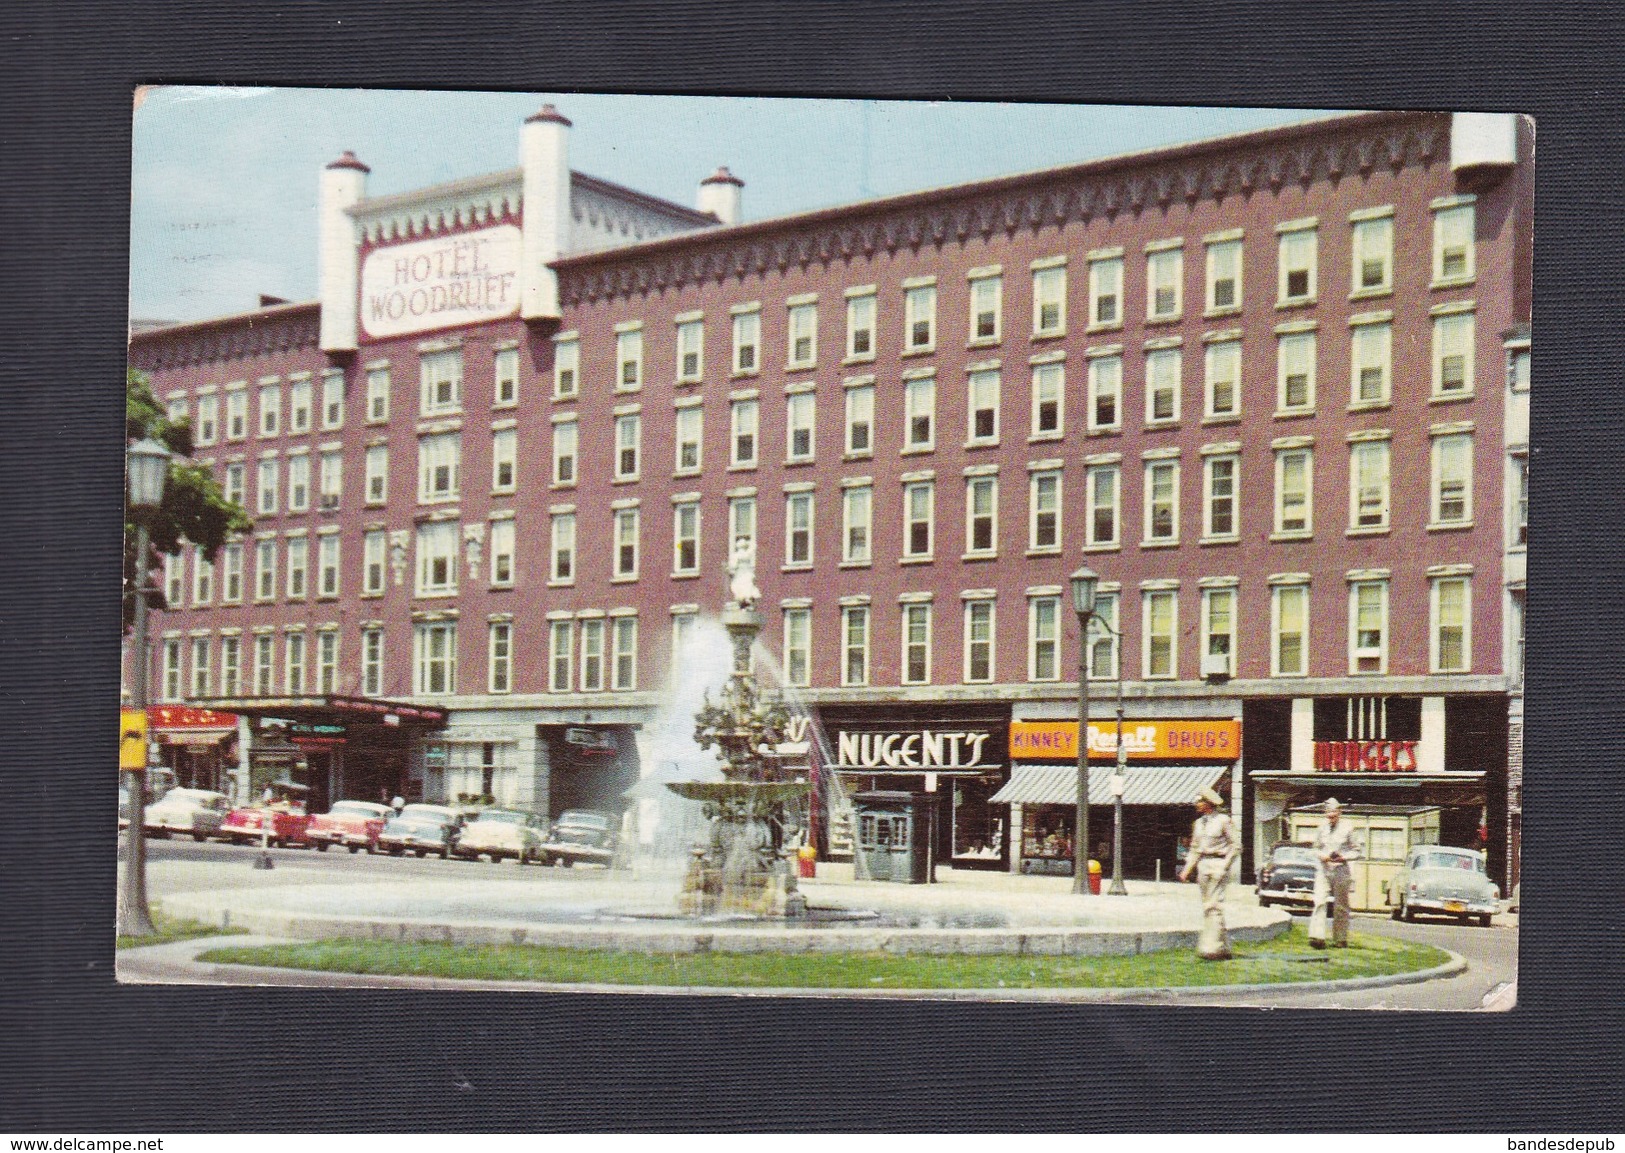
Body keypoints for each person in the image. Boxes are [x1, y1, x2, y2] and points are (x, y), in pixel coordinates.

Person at [1178, 785, 1237, 960]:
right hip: (1203, 864)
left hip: (1219, 863)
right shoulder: (1198, 824)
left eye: (1200, 800)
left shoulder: (1223, 821)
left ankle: (1211, 948)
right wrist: (1187, 870)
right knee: (1208, 906)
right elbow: (1195, 848)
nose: (1197, 803)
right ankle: (1223, 946)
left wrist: (1225, 865)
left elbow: (1236, 845)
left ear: (1209, 803)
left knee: (1214, 905)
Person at [1309, 797, 1361, 949]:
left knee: (1341, 905)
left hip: (1341, 869)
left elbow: (1357, 850)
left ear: (1339, 812)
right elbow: (1315, 847)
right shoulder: (1321, 827)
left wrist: (1343, 857)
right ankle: (1317, 937)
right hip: (1324, 869)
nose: (1331, 817)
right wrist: (1322, 856)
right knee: (1319, 901)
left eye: (1334, 814)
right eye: (1328, 814)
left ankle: (1340, 938)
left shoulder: (1348, 828)